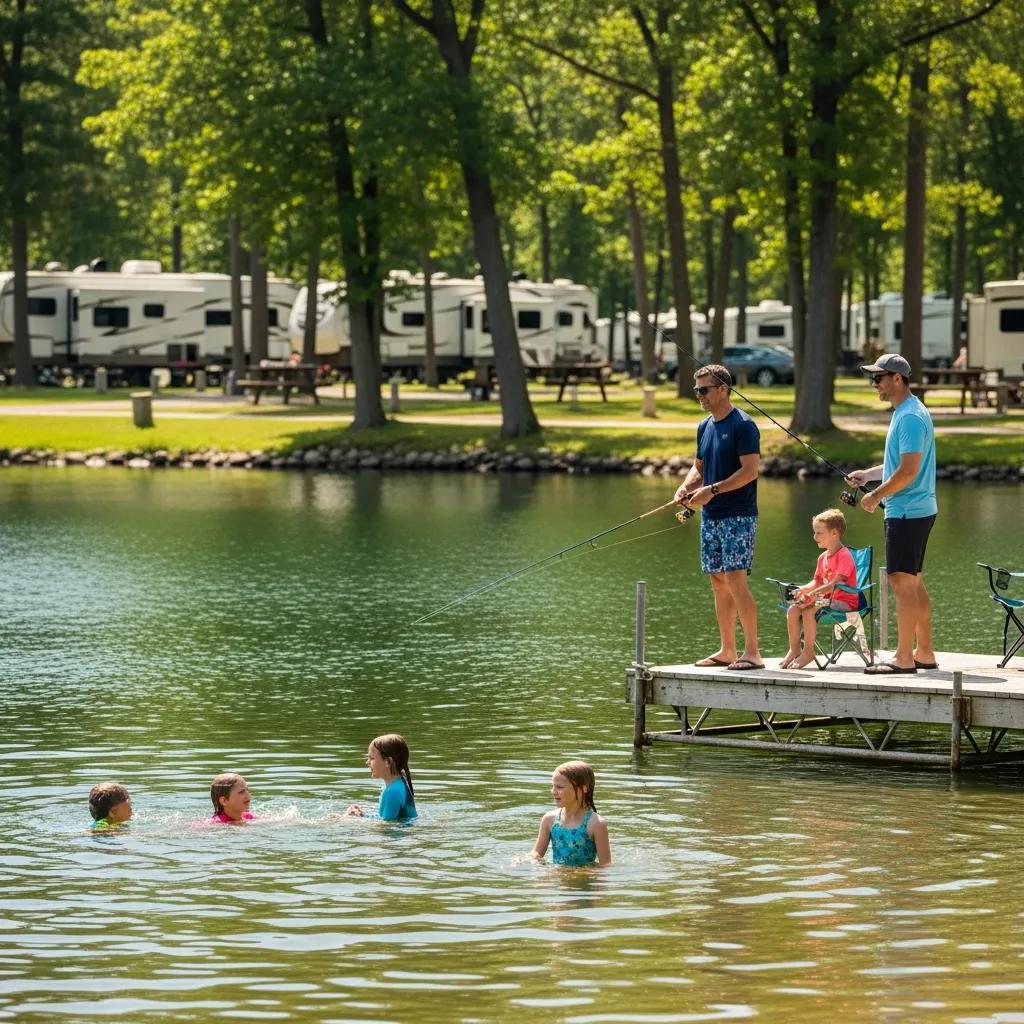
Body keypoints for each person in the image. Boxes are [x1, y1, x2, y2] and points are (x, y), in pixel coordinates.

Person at [846, 353, 937, 674]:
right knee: (913, 583)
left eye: (879, 378)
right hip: (918, 509)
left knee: (902, 584)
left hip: (906, 511)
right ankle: (924, 651)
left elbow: (909, 472)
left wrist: (874, 495)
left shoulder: (910, 417)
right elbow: (900, 465)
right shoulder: (909, 412)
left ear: (897, 379)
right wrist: (868, 475)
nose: (875, 385)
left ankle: (903, 657)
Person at [674, 364, 763, 671]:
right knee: (717, 581)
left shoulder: (744, 425)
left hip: (738, 515)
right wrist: (687, 487)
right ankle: (727, 650)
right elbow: (698, 467)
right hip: (711, 516)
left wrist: (712, 490)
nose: (699, 395)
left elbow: (750, 471)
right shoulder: (704, 426)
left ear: (723, 389)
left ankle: (752, 652)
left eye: (704, 390)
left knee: (736, 580)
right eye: (696, 390)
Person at [780, 508, 859, 670]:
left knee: (809, 610)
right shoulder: (822, 557)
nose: (814, 537)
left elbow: (834, 584)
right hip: (826, 600)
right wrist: (803, 590)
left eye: (819, 533)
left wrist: (812, 594)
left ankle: (808, 652)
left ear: (834, 533)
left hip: (844, 601)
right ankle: (795, 650)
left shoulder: (844, 555)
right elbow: (816, 582)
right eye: (815, 533)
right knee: (793, 609)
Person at [532, 760, 611, 867]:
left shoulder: (596, 824)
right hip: (558, 880)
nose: (553, 791)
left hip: (584, 882)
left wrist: (576, 874)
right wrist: (527, 860)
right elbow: (537, 853)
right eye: (553, 786)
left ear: (583, 789)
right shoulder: (549, 820)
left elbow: (605, 865)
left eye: (559, 787)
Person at [346, 734, 417, 821]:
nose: (367, 762)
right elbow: (385, 818)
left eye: (371, 758)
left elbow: (386, 828)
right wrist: (362, 815)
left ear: (388, 762)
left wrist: (353, 820)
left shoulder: (392, 791)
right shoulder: (397, 784)